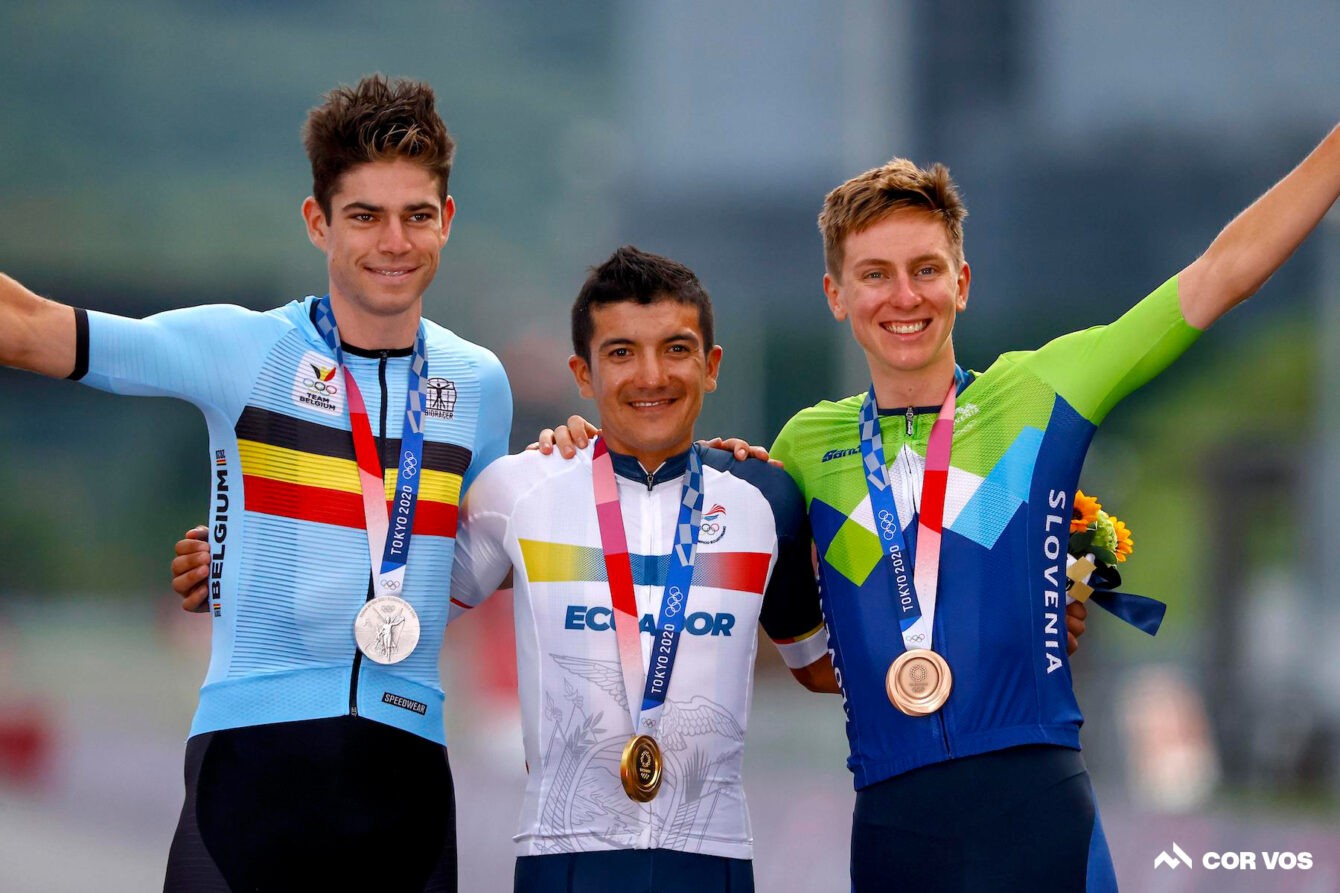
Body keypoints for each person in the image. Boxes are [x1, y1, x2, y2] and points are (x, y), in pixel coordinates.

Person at [542, 127, 1340, 889]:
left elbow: (1221, 271)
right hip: (894, 827)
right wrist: (585, 442)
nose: (904, 296)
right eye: (875, 273)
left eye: (926, 269)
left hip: (1037, 809)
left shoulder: (1043, 389)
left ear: (962, 281)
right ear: (836, 293)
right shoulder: (804, 448)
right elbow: (737, 574)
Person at [0, 75, 512, 891]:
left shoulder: (478, 383)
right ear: (318, 223)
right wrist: (242, 556)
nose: (394, 241)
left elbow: (472, 557)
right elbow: (26, 329)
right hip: (251, 773)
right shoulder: (242, 351)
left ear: (446, 221)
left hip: (406, 779)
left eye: (416, 215)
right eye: (365, 215)